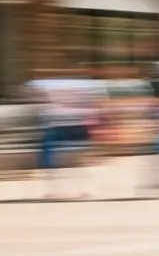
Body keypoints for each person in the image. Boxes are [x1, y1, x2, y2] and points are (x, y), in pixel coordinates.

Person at [25, 70, 107, 200]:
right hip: (76, 125)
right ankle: (84, 189)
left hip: (56, 125)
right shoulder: (87, 85)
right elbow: (97, 105)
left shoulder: (42, 84)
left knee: (52, 158)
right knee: (80, 158)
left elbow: (37, 103)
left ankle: (56, 190)